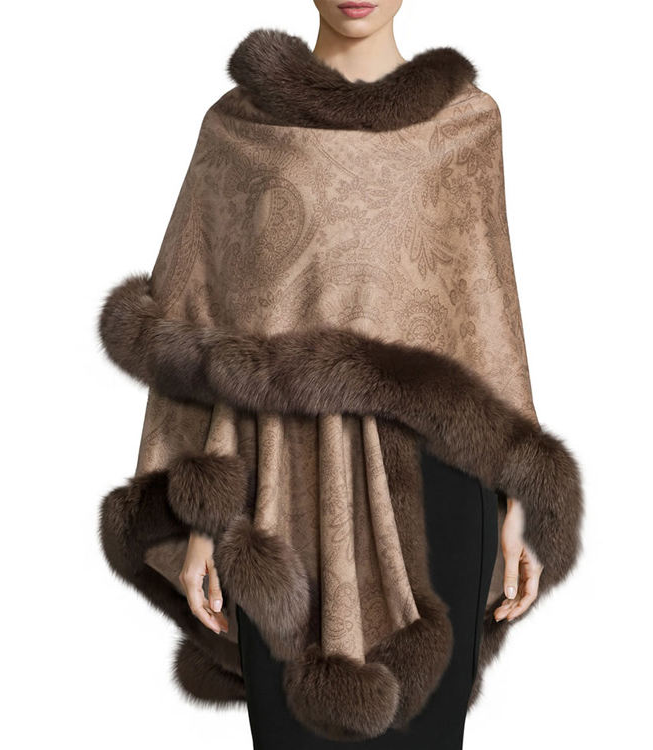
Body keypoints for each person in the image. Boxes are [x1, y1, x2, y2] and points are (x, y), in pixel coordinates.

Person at [97, 2, 583, 748]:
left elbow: (488, 309)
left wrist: (520, 486)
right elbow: (199, 331)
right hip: (276, 489)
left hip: (440, 486)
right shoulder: (239, 129)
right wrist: (201, 512)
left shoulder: (466, 124)